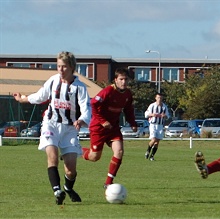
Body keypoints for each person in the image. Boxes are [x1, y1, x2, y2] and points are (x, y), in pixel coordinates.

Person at [13, 51, 91, 205]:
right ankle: (57, 191)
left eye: (64, 67)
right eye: (58, 66)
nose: (60, 70)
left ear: (72, 67)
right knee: (52, 157)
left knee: (71, 169)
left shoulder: (80, 88)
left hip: (69, 129)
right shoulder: (53, 81)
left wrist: (81, 120)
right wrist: (24, 99)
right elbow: (41, 96)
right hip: (51, 124)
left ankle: (67, 188)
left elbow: (86, 108)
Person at [81, 68, 137, 188]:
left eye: (126, 79)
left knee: (119, 151)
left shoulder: (127, 94)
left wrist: (132, 123)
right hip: (98, 128)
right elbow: (93, 104)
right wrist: (102, 121)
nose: (124, 82)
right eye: (121, 79)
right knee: (94, 157)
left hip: (113, 128)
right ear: (115, 80)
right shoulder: (107, 91)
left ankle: (108, 183)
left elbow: (128, 110)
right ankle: (75, 150)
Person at [144, 93, 170, 161]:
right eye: (158, 97)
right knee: (154, 139)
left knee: (157, 142)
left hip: (160, 125)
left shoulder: (164, 107)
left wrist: (165, 116)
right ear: (155, 98)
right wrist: (152, 114)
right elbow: (146, 114)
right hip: (153, 125)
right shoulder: (152, 106)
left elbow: (168, 116)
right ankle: (148, 151)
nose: (159, 99)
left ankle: (152, 156)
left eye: (161, 98)